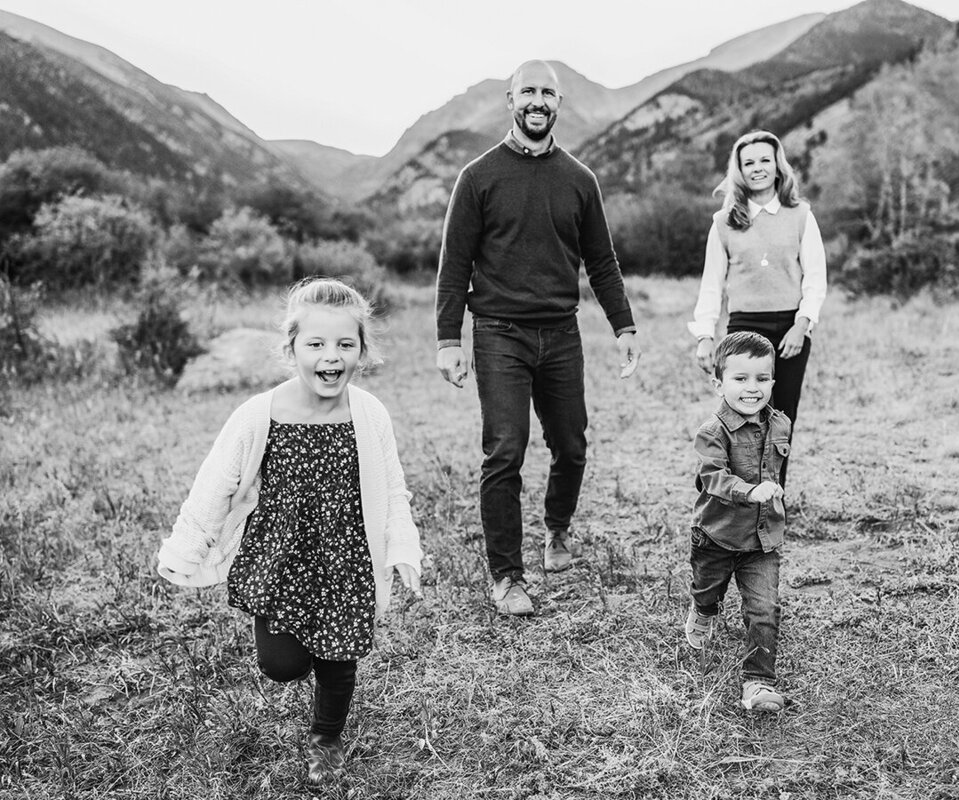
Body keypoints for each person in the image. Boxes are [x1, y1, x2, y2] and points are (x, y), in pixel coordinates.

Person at [155, 278, 422, 786]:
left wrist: (402, 546)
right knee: (281, 665)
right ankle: (303, 658)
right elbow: (215, 483)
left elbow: (392, 488)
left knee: (339, 656)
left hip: (347, 556)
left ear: (362, 351)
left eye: (345, 344)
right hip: (281, 557)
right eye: (316, 344)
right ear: (291, 348)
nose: (331, 356)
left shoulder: (369, 414)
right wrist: (187, 547)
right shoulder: (260, 414)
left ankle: (326, 737)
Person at [435, 59, 640, 616]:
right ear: (510, 100)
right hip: (499, 333)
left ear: (558, 104)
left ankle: (557, 530)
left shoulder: (580, 179)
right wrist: (448, 339)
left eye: (548, 93)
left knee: (571, 445)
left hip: (561, 332)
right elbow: (454, 264)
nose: (538, 101)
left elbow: (602, 261)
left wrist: (623, 325)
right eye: (528, 91)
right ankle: (506, 577)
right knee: (505, 450)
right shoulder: (477, 177)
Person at [689, 129, 827, 487]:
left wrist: (802, 325)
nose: (757, 168)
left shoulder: (800, 215)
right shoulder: (724, 222)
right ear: (739, 170)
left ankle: (774, 497)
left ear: (778, 166)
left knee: (781, 418)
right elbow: (711, 284)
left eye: (765, 160)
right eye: (748, 162)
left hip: (790, 331)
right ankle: (737, 496)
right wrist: (705, 336)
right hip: (743, 329)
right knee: (742, 415)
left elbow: (815, 276)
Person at [685, 331, 790, 713]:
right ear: (719, 384)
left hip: (762, 539)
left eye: (762, 378)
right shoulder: (712, 432)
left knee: (764, 609)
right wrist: (750, 491)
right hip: (717, 535)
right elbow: (713, 478)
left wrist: (771, 494)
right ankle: (702, 611)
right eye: (740, 378)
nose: (752, 388)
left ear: (773, 382)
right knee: (708, 592)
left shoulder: (781, 424)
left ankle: (758, 682)